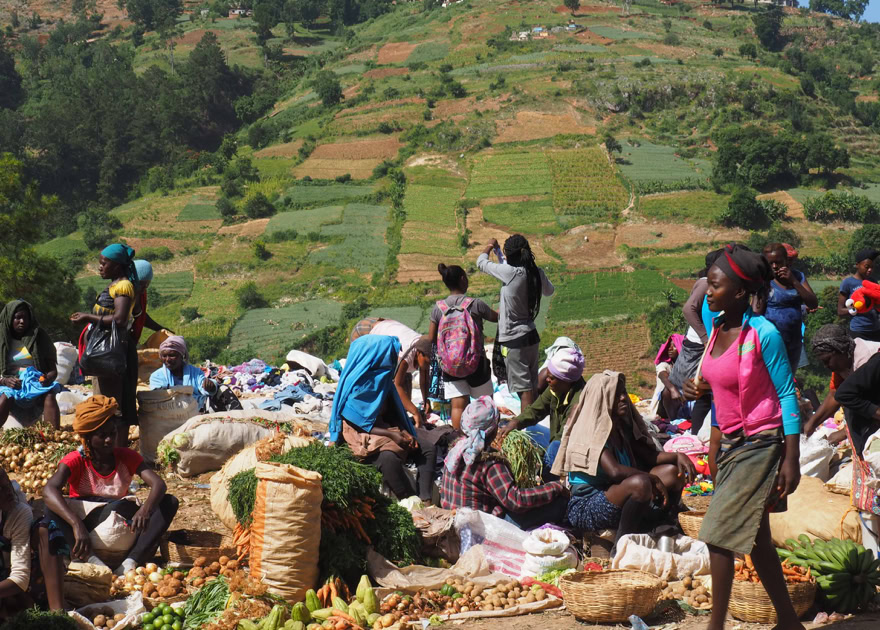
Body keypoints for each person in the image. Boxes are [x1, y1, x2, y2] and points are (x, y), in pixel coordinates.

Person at [681, 243, 803, 630]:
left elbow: (787, 394)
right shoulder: (716, 330)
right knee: (758, 541)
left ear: (738, 292)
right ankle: (789, 622)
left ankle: (714, 626)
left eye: (715, 285)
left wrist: (792, 458)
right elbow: (721, 391)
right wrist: (712, 439)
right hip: (730, 444)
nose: (708, 292)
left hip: (761, 442)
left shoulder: (763, 333)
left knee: (717, 536)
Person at [553, 371, 694, 549]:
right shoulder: (593, 432)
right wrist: (652, 478)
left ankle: (661, 522)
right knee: (640, 483)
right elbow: (615, 471)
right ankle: (622, 545)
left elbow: (650, 457)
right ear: (603, 399)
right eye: (616, 395)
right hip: (588, 506)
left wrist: (677, 456)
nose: (623, 398)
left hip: (617, 494)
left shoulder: (620, 428)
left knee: (673, 473)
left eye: (623, 393)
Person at [42, 396, 179, 576]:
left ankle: (130, 561)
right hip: (87, 529)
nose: (109, 440)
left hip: (119, 525)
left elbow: (158, 484)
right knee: (49, 507)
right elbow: (49, 490)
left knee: (168, 502)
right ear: (88, 437)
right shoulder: (75, 460)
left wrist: (145, 510)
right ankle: (91, 559)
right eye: (102, 435)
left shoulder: (126, 456)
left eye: (112, 433)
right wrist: (76, 524)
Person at [329, 335, 437, 502]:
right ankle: (411, 502)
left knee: (427, 449)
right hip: (361, 436)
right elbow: (357, 424)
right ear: (376, 357)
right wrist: (391, 435)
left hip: (386, 429)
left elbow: (393, 413)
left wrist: (403, 432)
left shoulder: (383, 381)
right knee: (388, 460)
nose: (393, 361)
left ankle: (425, 498)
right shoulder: (356, 385)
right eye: (391, 356)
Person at [440, 396, 568, 530]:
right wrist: (555, 487)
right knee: (559, 503)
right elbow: (516, 501)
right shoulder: (489, 463)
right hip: (481, 528)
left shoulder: (456, 450)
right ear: (494, 429)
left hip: (453, 521)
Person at [70, 244, 140, 447]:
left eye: (104, 263)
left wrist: (87, 317)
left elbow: (119, 319)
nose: (100, 267)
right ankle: (106, 448)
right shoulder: (114, 285)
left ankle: (115, 451)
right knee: (104, 402)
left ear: (117, 266)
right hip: (105, 355)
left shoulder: (123, 287)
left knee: (111, 405)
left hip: (111, 354)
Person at [477, 235, 554, 409]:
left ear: (510, 255)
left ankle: (527, 424)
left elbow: (481, 262)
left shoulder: (511, 273)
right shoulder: (535, 272)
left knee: (523, 390)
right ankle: (534, 421)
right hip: (531, 336)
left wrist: (489, 245)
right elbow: (549, 291)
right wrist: (499, 252)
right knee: (532, 386)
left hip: (514, 340)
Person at [428, 264, 498, 431]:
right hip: (476, 362)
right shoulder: (475, 304)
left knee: (458, 406)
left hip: (450, 366)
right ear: (462, 279)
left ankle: (459, 440)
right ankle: (487, 437)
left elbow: (431, 338)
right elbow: (496, 317)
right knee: (485, 403)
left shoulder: (438, 309)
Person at [500, 347, 586, 476]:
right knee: (533, 432)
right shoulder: (556, 389)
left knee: (553, 449)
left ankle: (549, 481)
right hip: (558, 441)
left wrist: (540, 456)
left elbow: (563, 437)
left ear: (566, 381)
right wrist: (516, 422)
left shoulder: (579, 401)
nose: (547, 380)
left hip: (571, 449)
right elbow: (535, 411)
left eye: (552, 378)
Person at [666, 249, 723, 437]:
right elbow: (688, 309)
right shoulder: (706, 283)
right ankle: (688, 428)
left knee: (702, 392)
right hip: (699, 344)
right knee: (697, 389)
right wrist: (706, 338)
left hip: (701, 342)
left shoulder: (708, 283)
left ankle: (694, 429)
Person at [0, 467, 65, 617]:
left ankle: (58, 615)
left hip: (20, 583)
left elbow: (20, 578)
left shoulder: (18, 512)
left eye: (7, 484)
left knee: (47, 528)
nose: (8, 492)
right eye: (0, 489)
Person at [349, 318, 432, 425]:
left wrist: (426, 401)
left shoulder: (424, 347)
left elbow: (424, 379)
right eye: (427, 362)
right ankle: (360, 415)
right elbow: (397, 385)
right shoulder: (406, 353)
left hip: (386, 326)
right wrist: (415, 412)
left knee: (404, 390)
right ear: (419, 354)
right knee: (368, 377)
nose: (428, 365)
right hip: (366, 330)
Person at [803, 324, 880, 439]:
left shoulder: (867, 359)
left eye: (827, 360)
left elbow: (866, 404)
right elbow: (835, 395)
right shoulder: (843, 364)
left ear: (841, 349)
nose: (826, 366)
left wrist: (845, 432)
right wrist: (812, 423)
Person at [753, 243, 817, 372]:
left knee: (789, 375)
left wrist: (793, 281)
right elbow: (755, 314)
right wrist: (761, 286)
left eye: (778, 262)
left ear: (786, 261)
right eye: (770, 263)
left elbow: (813, 303)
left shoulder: (798, 277)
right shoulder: (765, 282)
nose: (774, 266)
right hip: (771, 343)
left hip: (794, 341)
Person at [0, 300, 61, 430]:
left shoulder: (39, 337)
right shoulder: (1, 338)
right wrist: (5, 381)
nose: (22, 321)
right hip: (9, 383)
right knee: (6, 396)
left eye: (26, 318)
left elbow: (53, 371)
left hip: (34, 384)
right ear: (9, 318)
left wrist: (47, 379)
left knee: (49, 395)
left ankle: (54, 435)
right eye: (18, 317)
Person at [149, 336, 217, 412]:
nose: (167, 359)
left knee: (222, 389)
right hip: (169, 412)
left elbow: (203, 384)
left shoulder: (196, 372)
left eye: (172, 355)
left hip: (197, 409)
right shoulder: (156, 376)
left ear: (182, 356)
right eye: (164, 356)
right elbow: (159, 398)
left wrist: (210, 386)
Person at [835, 352, 880, 457]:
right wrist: (875, 411)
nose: (826, 365)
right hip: (864, 432)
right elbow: (842, 394)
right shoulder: (876, 363)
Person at [838, 248, 880, 342]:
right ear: (857, 265)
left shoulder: (873, 282)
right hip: (858, 331)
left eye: (872, 267)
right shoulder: (848, 283)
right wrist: (857, 308)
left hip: (876, 330)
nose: (870, 270)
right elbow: (840, 311)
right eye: (866, 266)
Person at [131, 260, 171, 346]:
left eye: (146, 286)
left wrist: (162, 329)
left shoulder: (141, 293)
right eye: (141, 285)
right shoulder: (123, 295)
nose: (143, 289)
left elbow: (141, 316)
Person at [650, 334, 685, 421]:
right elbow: (662, 375)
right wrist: (673, 389)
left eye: (674, 346)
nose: (670, 348)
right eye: (669, 346)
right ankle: (674, 420)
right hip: (663, 406)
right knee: (667, 391)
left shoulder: (685, 366)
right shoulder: (664, 364)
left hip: (682, 402)